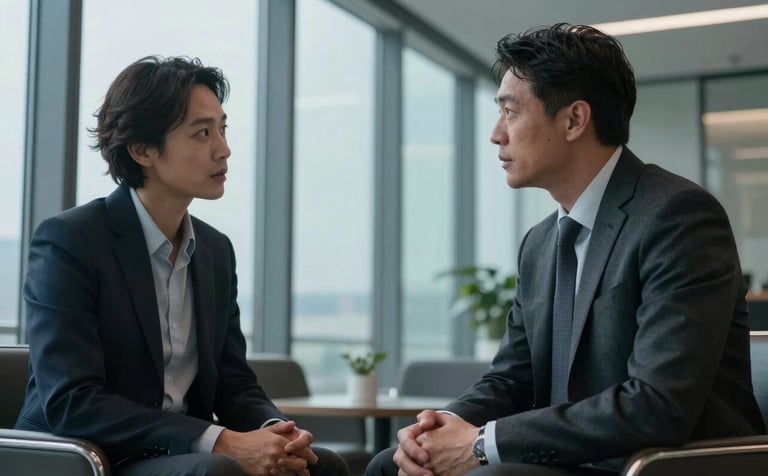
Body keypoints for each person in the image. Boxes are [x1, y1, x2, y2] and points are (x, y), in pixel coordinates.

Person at [366, 23, 765, 476]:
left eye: (510, 111)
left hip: (662, 464)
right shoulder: (540, 243)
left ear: (574, 120)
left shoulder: (677, 217)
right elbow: (512, 379)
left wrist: (481, 445)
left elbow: (657, 404)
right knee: (389, 465)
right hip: (573, 460)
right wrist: (440, 427)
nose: (496, 134)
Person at [15, 56, 350, 476]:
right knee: (215, 471)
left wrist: (277, 432)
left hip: (179, 456)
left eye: (223, 129)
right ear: (142, 150)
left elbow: (233, 383)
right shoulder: (71, 241)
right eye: (202, 133)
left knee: (323, 466)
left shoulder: (215, 251)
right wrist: (220, 441)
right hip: (86, 457)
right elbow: (73, 402)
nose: (223, 149)